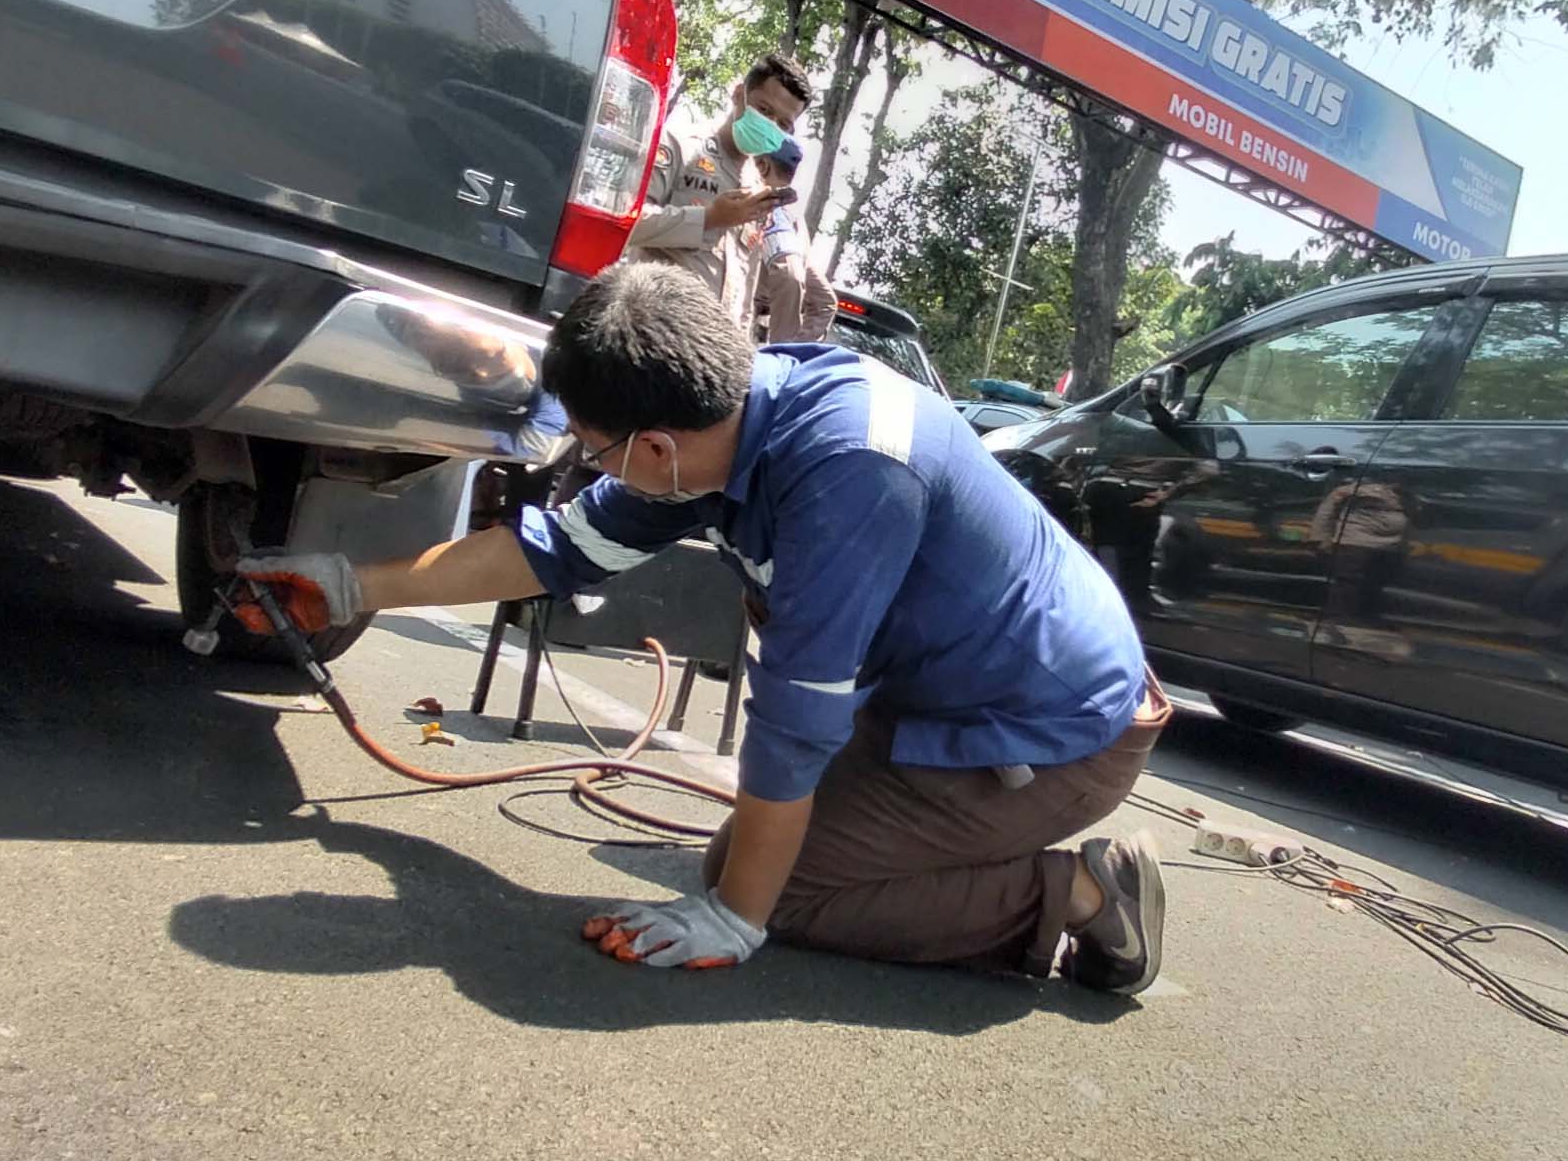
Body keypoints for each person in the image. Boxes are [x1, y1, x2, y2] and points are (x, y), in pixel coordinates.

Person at [236, 262, 1174, 993]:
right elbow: (551, 553)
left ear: (652, 446)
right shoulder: (723, 423)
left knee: (785, 895)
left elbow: (796, 725)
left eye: (594, 450)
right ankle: (946, 863)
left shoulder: (850, 469)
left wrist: (736, 922)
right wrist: (351, 587)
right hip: (951, 697)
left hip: (1054, 735)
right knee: (742, 862)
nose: (594, 469)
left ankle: (1086, 893)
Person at [625, 53, 814, 326]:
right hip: (652, 326)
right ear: (738, 94)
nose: (770, 125)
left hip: (710, 340)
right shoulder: (680, 145)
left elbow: (746, 286)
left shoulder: (757, 185)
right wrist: (708, 219)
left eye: (783, 124)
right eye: (764, 110)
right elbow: (628, 223)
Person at [747, 138, 835, 345]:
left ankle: (780, 356)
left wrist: (782, 348)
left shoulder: (773, 210)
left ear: (762, 165)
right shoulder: (791, 217)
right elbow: (824, 302)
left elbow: (789, 276)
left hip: (746, 306)